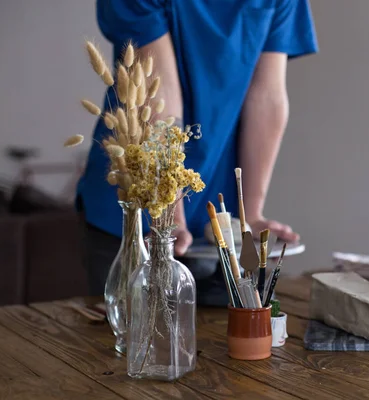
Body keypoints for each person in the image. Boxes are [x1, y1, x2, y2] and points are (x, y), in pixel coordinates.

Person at [77, 0, 318, 305]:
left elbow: (267, 98)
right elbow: (157, 93)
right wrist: (168, 212)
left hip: (218, 210)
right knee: (128, 338)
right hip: (138, 203)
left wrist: (250, 213)